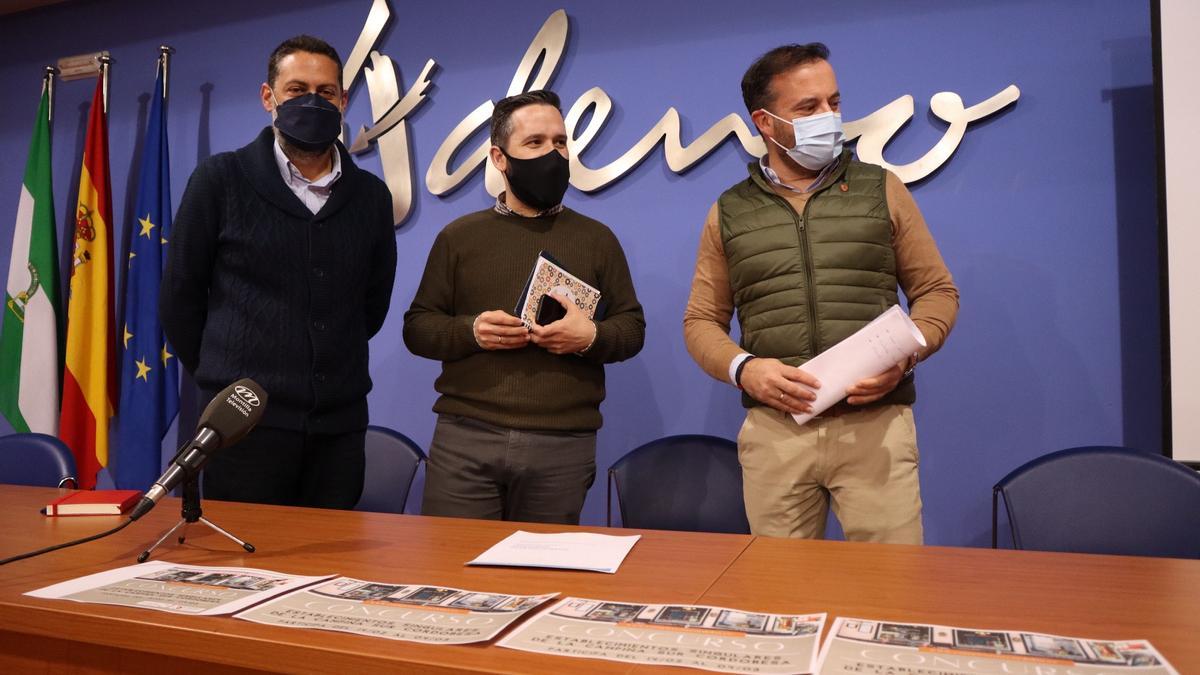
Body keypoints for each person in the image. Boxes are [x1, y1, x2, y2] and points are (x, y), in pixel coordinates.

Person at [683, 43, 958, 543]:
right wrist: (746, 370)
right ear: (765, 123)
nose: (828, 117)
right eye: (807, 108)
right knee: (779, 597)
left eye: (833, 102)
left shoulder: (883, 189)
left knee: (893, 590)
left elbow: (937, 292)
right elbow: (701, 322)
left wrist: (908, 355)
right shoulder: (729, 212)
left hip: (876, 428)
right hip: (776, 434)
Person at [161, 35, 397, 509]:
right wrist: (227, 375)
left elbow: (370, 307)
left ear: (343, 101)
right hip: (244, 428)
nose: (312, 101)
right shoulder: (219, 180)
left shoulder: (371, 196)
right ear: (268, 97)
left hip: (339, 430)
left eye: (326, 92)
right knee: (243, 570)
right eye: (296, 89)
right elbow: (179, 301)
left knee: (329, 571)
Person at [403, 90, 645, 525]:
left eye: (559, 142)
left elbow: (632, 328)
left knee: (543, 581)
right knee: (447, 573)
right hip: (465, 438)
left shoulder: (598, 239)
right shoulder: (459, 237)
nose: (552, 154)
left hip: (563, 446)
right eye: (534, 143)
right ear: (500, 158)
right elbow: (418, 327)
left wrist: (590, 337)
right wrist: (471, 331)